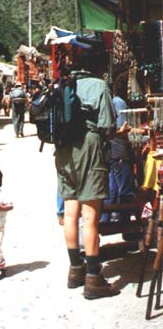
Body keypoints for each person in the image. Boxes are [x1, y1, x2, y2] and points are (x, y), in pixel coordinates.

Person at [54, 52, 120, 300]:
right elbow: (106, 126)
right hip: (90, 149)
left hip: (63, 153)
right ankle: (94, 279)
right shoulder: (99, 85)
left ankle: (75, 270)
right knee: (90, 216)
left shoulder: (62, 85)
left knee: (71, 213)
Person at [101, 72, 137, 222]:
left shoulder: (114, 101)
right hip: (119, 151)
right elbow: (123, 130)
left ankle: (106, 220)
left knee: (113, 188)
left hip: (113, 151)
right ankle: (125, 222)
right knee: (124, 189)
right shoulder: (120, 103)